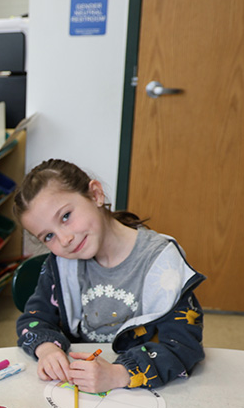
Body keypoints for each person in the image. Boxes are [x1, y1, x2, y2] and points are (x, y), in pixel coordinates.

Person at [13, 158, 205, 393]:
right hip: (81, 387)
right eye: (48, 236)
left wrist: (119, 374)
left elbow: (183, 345)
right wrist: (47, 348)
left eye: (65, 216)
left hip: (144, 390)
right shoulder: (61, 264)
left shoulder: (161, 262)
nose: (64, 239)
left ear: (95, 195)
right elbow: (33, 319)